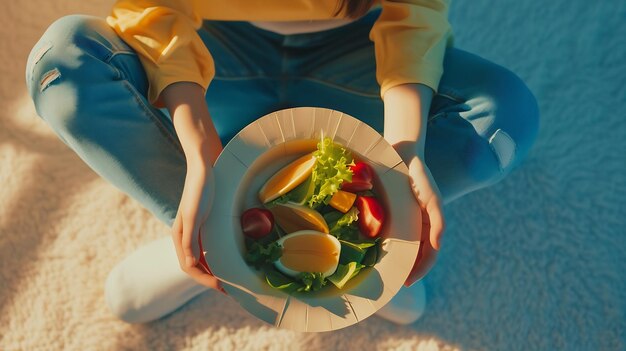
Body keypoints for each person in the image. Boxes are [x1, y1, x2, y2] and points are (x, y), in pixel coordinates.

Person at [25, 0, 539, 325]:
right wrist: (201, 149)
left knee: (504, 121)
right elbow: (154, 8)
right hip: (212, 45)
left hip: (357, 48)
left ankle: (366, 242)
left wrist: (406, 149)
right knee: (61, 67)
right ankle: (212, 234)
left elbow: (414, 13)